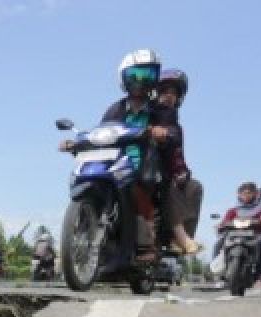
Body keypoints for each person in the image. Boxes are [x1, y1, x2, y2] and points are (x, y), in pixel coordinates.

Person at [62, 49, 180, 267]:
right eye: (135, 75)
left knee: (137, 186)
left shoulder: (162, 110)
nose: (141, 82)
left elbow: (174, 133)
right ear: (124, 78)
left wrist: (163, 132)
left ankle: (147, 244)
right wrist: (76, 143)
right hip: (113, 161)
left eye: (148, 76)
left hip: (144, 162)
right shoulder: (115, 109)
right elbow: (102, 133)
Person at [154, 69, 203, 255]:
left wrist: (183, 172)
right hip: (143, 167)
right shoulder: (147, 110)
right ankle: (181, 236)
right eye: (165, 91)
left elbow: (176, 155)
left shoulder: (174, 122)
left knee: (194, 187)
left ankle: (178, 239)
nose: (169, 96)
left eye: (174, 93)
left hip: (165, 171)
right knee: (166, 184)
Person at [215, 182, 261, 275]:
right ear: (239, 194)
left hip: (255, 235)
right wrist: (220, 225)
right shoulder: (233, 210)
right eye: (243, 193)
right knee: (218, 243)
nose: (246, 195)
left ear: (255, 194)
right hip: (233, 235)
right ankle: (216, 267)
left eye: (249, 193)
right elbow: (225, 221)